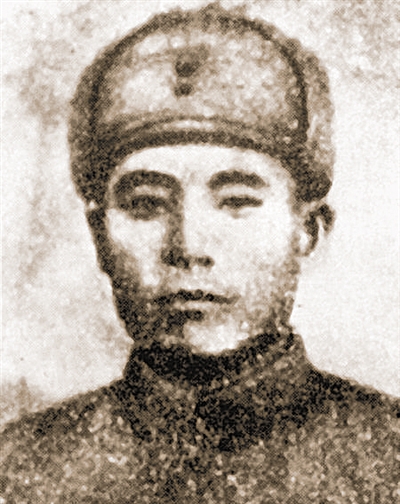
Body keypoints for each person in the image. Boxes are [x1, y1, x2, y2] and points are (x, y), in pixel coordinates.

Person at [1, 4, 398, 503]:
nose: (188, 248)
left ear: (308, 231)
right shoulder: (19, 470)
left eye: (236, 202)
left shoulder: (388, 458)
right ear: (99, 236)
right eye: (146, 204)